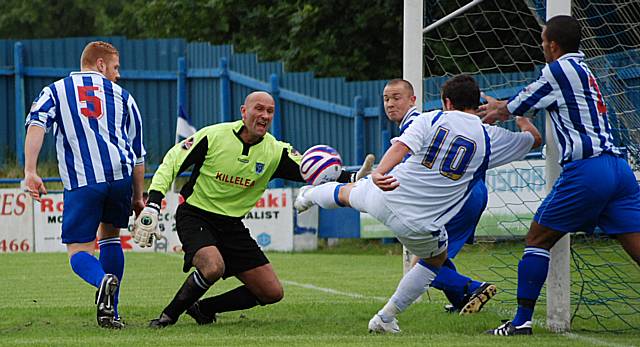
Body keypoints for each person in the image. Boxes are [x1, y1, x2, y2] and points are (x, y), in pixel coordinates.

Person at [295, 74, 541, 333]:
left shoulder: (430, 117)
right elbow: (534, 139)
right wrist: (517, 114)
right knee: (434, 261)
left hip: (387, 192)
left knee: (345, 193)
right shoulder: (490, 138)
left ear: (446, 102)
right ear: (478, 103)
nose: (390, 103)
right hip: (419, 221)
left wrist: (380, 172)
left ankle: (306, 196)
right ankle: (385, 317)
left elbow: (401, 147)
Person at [133, 91, 374, 328]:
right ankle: (167, 317)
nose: (265, 115)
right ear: (244, 111)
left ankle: (203, 308)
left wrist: (353, 176)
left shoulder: (275, 151)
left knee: (271, 292)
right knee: (213, 266)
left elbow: (313, 171)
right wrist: (153, 203)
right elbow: (171, 163)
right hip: (196, 214)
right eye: (259, 108)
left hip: (232, 225)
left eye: (270, 111)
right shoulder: (214, 136)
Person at [480, 15, 640, 336]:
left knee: (538, 238)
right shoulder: (585, 69)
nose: (542, 48)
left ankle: (521, 321)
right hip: (619, 169)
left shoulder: (557, 70)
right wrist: (506, 106)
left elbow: (518, 105)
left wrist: (494, 110)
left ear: (552, 44)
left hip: (589, 169)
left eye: (542, 42)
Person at [23, 41, 146, 329]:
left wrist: (31, 170)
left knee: (79, 252)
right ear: (100, 64)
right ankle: (111, 313)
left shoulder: (55, 90)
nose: (118, 74)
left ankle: (101, 279)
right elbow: (138, 154)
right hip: (120, 178)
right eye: (115, 67)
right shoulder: (124, 96)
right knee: (110, 238)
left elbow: (37, 124)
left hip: (83, 180)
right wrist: (138, 197)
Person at [384, 78, 494, 315]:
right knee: (435, 254)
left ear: (412, 100)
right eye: (386, 99)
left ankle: (473, 287)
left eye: (396, 98)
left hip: (457, 195)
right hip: (469, 191)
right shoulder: (427, 122)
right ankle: (461, 301)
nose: (390, 104)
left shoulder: (417, 122)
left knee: (422, 265)